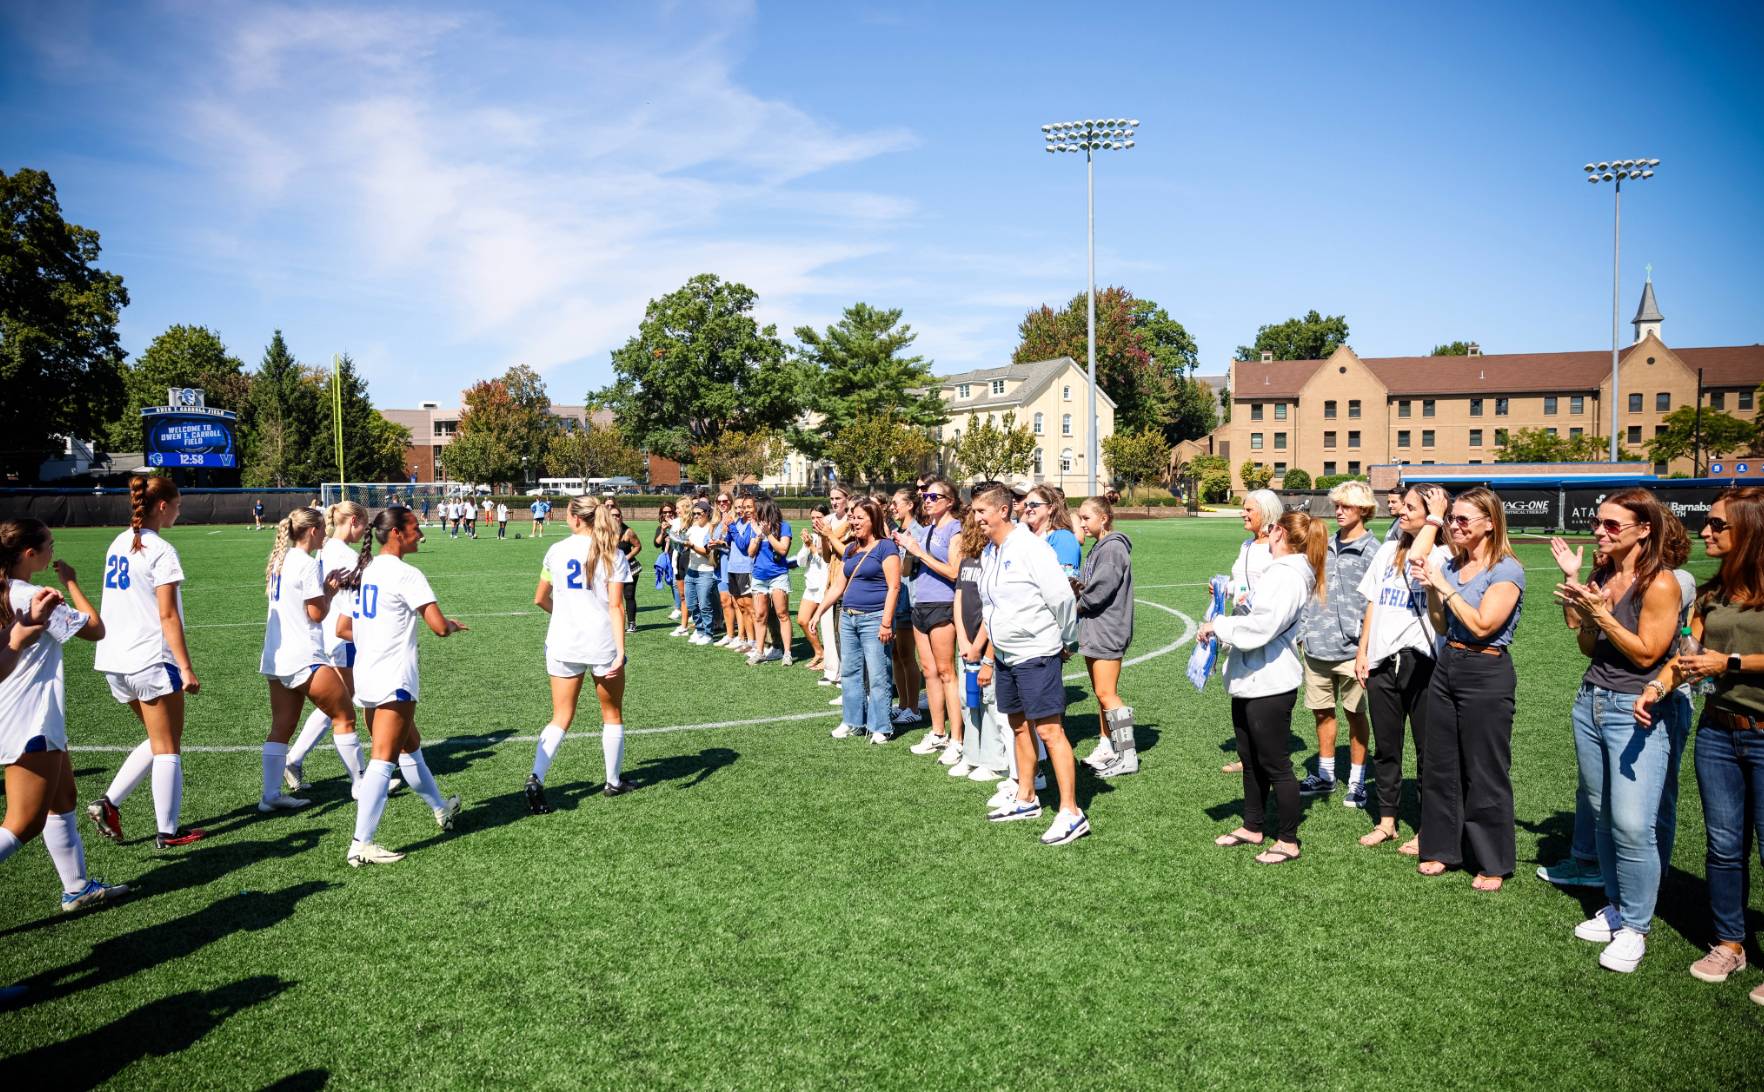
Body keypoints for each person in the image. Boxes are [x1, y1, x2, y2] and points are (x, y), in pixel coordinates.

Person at [1633, 487, 1764, 1003]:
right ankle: (1730, 943)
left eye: (1717, 525)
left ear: (1750, 530)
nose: (1704, 531)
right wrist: (1659, 685)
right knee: (1724, 846)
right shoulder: (1711, 594)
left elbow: (1715, 662)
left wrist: (1727, 664)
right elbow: (1689, 656)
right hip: (1717, 731)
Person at [1550, 488, 1681, 973]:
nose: (1599, 532)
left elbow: (1648, 654)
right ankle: (1616, 904)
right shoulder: (1605, 572)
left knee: (1631, 822)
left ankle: (1636, 927)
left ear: (1643, 530)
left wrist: (1600, 612)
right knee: (1603, 814)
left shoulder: (1661, 583)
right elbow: (1589, 646)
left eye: (1611, 525)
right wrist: (1584, 608)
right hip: (1591, 699)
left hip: (1637, 707)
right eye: (1597, 523)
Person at [0, 520, 128, 912]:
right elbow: (96, 630)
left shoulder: (8, 592)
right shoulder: (35, 596)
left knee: (64, 798)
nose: (54, 550)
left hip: (33, 712)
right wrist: (71, 582)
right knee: (24, 822)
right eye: (49, 545)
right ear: (29, 554)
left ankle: (77, 888)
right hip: (30, 717)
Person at [336, 506, 466, 866]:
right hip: (395, 677)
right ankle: (362, 843)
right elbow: (438, 627)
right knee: (384, 759)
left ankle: (441, 808)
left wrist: (376, 634)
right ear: (396, 533)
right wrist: (452, 625)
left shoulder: (361, 571)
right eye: (415, 527)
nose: (421, 533)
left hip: (366, 674)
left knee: (411, 748)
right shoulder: (408, 574)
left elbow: (343, 628)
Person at [86, 474, 205, 849]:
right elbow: (167, 616)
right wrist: (185, 667)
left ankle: (108, 804)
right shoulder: (160, 550)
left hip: (114, 661)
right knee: (168, 746)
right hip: (149, 659)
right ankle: (168, 832)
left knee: (158, 740)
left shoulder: (117, 543)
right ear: (163, 506)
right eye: (179, 505)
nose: (180, 512)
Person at [1202, 510, 1327, 864]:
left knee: (1275, 763)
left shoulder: (1287, 576)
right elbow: (1255, 615)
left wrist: (1219, 626)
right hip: (1251, 679)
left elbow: (1262, 627)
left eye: (1271, 528)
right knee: (1250, 758)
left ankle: (1288, 840)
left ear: (1278, 533)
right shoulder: (1279, 573)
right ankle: (1253, 826)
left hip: (1270, 682)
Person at [1417, 486, 1525, 892]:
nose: (1454, 526)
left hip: (1486, 669)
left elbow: (1483, 624)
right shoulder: (1452, 568)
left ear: (1490, 524)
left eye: (1463, 519)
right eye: (1452, 518)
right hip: (1449, 665)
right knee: (1441, 764)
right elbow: (1443, 625)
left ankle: (1491, 859)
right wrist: (1432, 587)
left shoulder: (1507, 570)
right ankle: (1442, 848)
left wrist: (1444, 588)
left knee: (1485, 769)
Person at [973, 483, 1085, 845]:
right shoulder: (991, 551)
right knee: (1018, 726)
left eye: (981, 512)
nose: (976, 519)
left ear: (1004, 511)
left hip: (1036, 652)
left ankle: (1071, 811)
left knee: (1049, 731)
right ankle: (1026, 797)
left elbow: (1061, 598)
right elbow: (992, 607)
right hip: (1006, 654)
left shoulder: (1031, 548)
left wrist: (1067, 639)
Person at [1353, 484, 1448, 852]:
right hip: (1382, 662)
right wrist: (1364, 652)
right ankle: (1387, 820)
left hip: (1422, 662)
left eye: (1411, 507)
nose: (1401, 512)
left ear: (1431, 515)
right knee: (1386, 746)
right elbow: (1373, 603)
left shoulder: (1442, 555)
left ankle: (1427, 828)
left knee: (1428, 751)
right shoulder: (1387, 550)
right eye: (1402, 506)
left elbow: (1419, 562)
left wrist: (1437, 520)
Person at [527, 496, 633, 814]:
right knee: (611, 714)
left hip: (563, 642)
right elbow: (616, 606)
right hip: (602, 643)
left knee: (561, 716)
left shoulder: (556, 551)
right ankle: (612, 781)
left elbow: (539, 599)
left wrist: (565, 616)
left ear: (574, 518)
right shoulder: (612, 553)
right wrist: (621, 652)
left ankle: (536, 777)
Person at [282, 501, 387, 795]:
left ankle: (295, 759)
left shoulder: (327, 549)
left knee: (337, 703)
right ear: (353, 521)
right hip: (342, 635)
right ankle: (363, 777)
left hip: (331, 633)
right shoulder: (343, 554)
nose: (365, 530)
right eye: (363, 523)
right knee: (341, 706)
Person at [255, 508, 356, 813]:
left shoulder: (280, 561)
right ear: (312, 532)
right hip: (304, 655)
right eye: (322, 529)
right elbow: (316, 614)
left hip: (276, 656)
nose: (325, 533)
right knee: (344, 716)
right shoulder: (306, 564)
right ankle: (362, 783)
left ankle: (270, 795)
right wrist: (329, 589)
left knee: (281, 728)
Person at [1296, 480, 1378, 807]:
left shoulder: (1375, 551)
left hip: (1354, 651)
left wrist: (1366, 647)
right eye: (1337, 505)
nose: (1338, 511)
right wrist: (1304, 631)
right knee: (1321, 713)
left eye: (1346, 506)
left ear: (1364, 510)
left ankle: (1357, 781)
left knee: (1356, 715)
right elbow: (1310, 588)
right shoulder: (1323, 544)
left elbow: (1377, 602)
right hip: (1316, 646)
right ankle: (1326, 775)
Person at [811, 497, 900, 742]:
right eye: (853, 517)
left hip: (874, 619)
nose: (855, 522)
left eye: (860, 517)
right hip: (848, 618)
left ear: (874, 520)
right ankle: (852, 721)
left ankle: (881, 726)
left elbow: (894, 587)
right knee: (850, 671)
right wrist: (819, 612)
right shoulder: (851, 549)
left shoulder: (886, 547)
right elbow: (839, 585)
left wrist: (885, 622)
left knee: (878, 673)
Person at [896, 477, 965, 766]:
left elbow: (953, 572)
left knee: (947, 672)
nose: (927, 500)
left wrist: (919, 552)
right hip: (919, 603)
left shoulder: (955, 529)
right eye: (926, 497)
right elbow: (907, 570)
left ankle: (957, 739)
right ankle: (937, 732)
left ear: (949, 502)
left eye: (934, 497)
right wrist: (905, 550)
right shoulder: (923, 530)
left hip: (942, 604)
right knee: (929, 671)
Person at [1220, 488, 1282, 774]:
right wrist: (1224, 588)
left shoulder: (1278, 546)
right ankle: (1247, 758)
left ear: (1266, 513)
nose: (1243, 514)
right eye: (1244, 509)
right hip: (1240, 626)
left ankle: (1265, 758)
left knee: (1261, 694)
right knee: (1241, 689)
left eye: (1249, 510)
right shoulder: (1246, 545)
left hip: (1264, 629)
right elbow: (1239, 582)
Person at [1075, 495, 1137, 777]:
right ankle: (1107, 746)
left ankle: (1127, 755)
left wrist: (1077, 599)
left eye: (1087, 518)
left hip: (1107, 628)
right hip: (1095, 627)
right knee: (1102, 694)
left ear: (1104, 518)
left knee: (1106, 693)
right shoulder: (1102, 546)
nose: (1082, 524)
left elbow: (1100, 591)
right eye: (1081, 518)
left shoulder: (1112, 548)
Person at [953, 502, 1010, 787]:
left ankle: (994, 760)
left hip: (985, 644)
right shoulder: (967, 560)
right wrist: (963, 638)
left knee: (989, 702)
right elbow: (959, 599)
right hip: (966, 644)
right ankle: (971, 753)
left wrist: (978, 645)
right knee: (968, 699)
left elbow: (993, 609)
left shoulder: (992, 559)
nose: (969, 525)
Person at [885, 488, 923, 724]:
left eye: (896, 503)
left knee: (908, 656)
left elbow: (906, 570)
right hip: (898, 601)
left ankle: (914, 707)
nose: (892, 507)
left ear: (910, 505)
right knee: (897, 655)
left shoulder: (916, 532)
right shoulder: (897, 532)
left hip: (910, 601)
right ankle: (903, 705)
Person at [747, 495, 794, 665]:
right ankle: (759, 651)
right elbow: (751, 552)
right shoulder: (758, 529)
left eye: (758, 511)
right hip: (759, 577)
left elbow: (783, 550)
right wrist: (759, 536)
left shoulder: (784, 527)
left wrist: (768, 535)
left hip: (778, 576)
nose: (755, 515)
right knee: (760, 616)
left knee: (782, 614)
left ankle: (787, 652)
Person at [794, 504, 832, 675]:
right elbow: (800, 562)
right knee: (802, 620)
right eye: (813, 518)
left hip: (824, 587)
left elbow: (826, 561)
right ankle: (819, 652)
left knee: (826, 627)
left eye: (819, 517)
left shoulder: (829, 535)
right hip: (811, 587)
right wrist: (806, 544)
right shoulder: (812, 537)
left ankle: (829, 660)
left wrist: (812, 547)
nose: (815, 521)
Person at [724, 496, 758, 651]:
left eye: (742, 507)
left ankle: (757, 641)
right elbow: (729, 539)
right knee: (741, 606)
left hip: (745, 568)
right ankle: (749, 641)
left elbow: (744, 545)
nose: (739, 511)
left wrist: (731, 527)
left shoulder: (751, 525)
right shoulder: (737, 522)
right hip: (732, 567)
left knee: (750, 608)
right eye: (737, 508)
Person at [684, 500, 719, 644]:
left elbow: (707, 552)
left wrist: (691, 546)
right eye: (694, 514)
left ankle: (708, 634)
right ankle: (699, 630)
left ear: (707, 513)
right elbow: (684, 545)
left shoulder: (711, 529)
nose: (696, 516)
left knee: (704, 605)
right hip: (692, 570)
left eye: (699, 513)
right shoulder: (692, 528)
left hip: (706, 571)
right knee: (691, 604)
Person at [609, 501, 642, 634]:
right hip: (611, 569)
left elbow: (638, 546)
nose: (615, 518)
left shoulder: (628, 532)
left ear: (621, 517)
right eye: (612, 515)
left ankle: (632, 623)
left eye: (617, 515)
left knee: (628, 595)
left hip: (629, 568)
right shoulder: (604, 531)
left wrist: (626, 557)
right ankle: (614, 623)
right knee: (612, 597)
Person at [653, 502, 680, 620]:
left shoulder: (679, 524)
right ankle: (679, 606)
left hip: (680, 558)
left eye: (670, 511)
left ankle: (679, 609)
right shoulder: (661, 527)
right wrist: (663, 532)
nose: (668, 514)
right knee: (672, 584)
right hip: (669, 559)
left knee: (676, 584)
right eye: (665, 512)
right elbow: (656, 543)